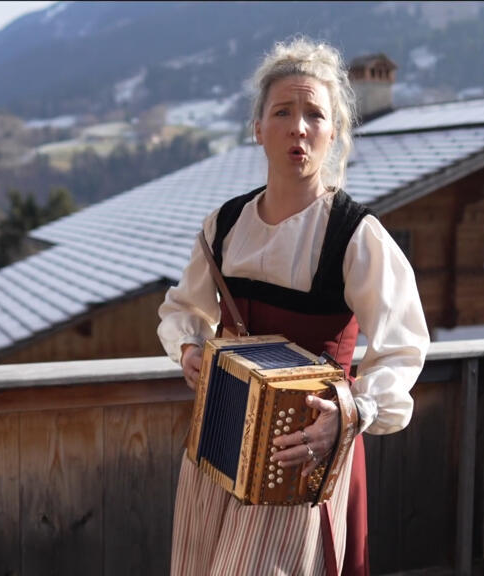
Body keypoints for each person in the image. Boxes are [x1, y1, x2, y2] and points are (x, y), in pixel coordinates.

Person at [157, 36, 429, 576]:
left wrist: (352, 414)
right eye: (283, 111)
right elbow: (184, 308)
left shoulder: (356, 236)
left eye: (314, 114)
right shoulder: (225, 225)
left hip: (303, 452)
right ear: (258, 128)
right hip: (218, 441)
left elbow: (401, 347)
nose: (298, 127)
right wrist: (190, 348)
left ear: (333, 134)